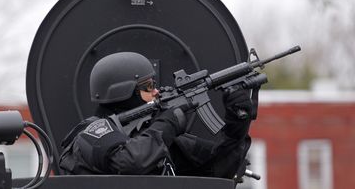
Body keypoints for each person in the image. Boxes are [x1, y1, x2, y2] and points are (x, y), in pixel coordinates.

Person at [59, 52, 253, 178]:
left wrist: (237, 122)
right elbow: (131, 162)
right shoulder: (90, 133)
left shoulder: (151, 137)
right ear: (124, 91)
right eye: (149, 86)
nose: (156, 92)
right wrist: (167, 123)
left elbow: (220, 168)